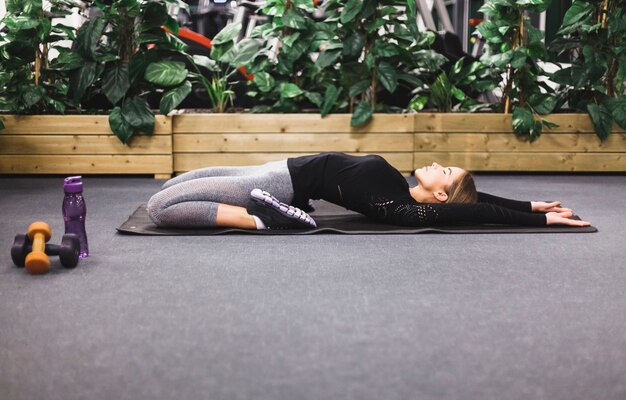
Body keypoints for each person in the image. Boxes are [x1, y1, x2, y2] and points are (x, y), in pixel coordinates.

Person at [147, 152, 591, 230]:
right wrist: (531, 203)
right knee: (175, 184)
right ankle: (267, 213)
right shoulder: (402, 189)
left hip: (279, 184)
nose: (437, 163)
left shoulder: (405, 210)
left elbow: (473, 212)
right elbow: (482, 202)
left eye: (446, 171)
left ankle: (262, 219)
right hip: (279, 168)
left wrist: (537, 222)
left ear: (440, 196)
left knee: (160, 206)